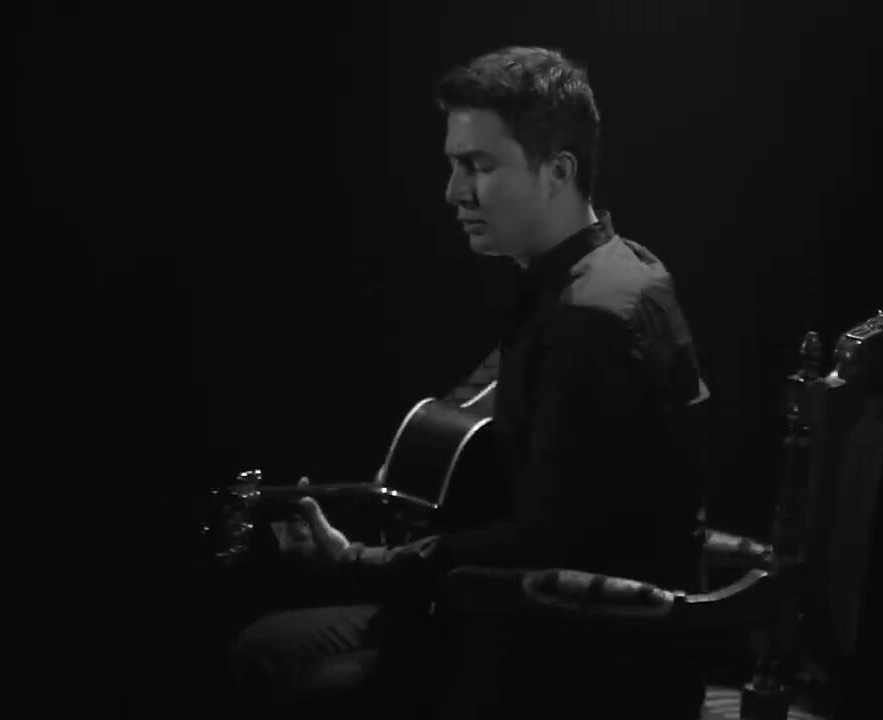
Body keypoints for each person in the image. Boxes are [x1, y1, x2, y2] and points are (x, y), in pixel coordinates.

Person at [227, 45, 712, 719]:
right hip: (559, 625)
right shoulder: (608, 270)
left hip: (581, 661)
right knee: (272, 645)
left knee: (272, 663)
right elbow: (490, 415)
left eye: (479, 166)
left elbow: (545, 543)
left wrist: (360, 561)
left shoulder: (590, 318)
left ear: (557, 172)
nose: (455, 192)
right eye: (454, 166)